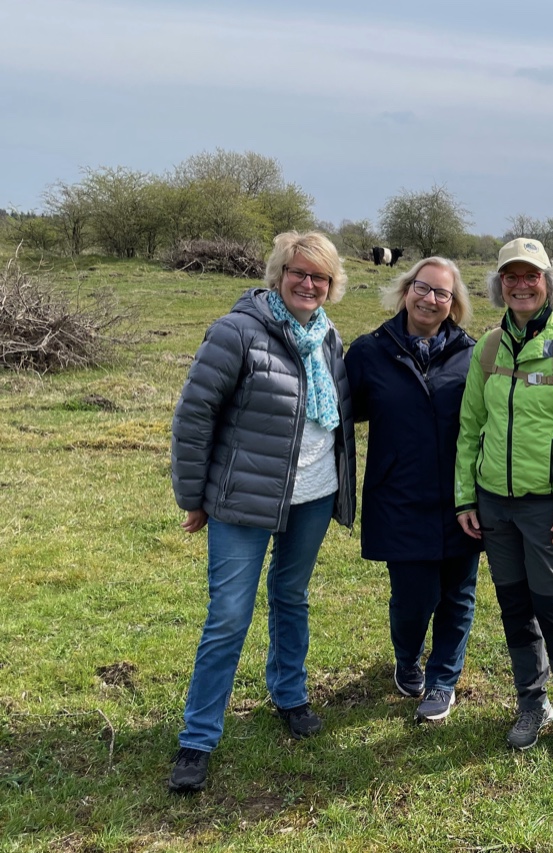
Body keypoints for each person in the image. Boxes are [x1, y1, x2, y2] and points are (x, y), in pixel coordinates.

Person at [167, 231, 356, 793]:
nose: (308, 284)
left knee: (291, 596)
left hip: (314, 495)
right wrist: (193, 497)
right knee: (228, 614)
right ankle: (198, 738)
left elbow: (337, 417)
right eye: (298, 272)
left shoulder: (329, 339)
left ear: (331, 285)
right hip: (244, 498)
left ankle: (290, 695)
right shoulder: (237, 332)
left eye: (320, 277)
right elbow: (194, 415)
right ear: (278, 274)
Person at [455, 237, 553, 761]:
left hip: (547, 509)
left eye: (531, 276)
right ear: (500, 285)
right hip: (494, 504)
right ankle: (530, 701)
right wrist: (464, 497)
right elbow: (470, 426)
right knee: (515, 607)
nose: (521, 284)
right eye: (511, 276)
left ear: (549, 283)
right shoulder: (488, 349)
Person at [345, 257, 482, 723]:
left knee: (458, 593)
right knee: (413, 596)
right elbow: (343, 414)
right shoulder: (368, 352)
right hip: (398, 496)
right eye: (423, 288)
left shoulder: (474, 354)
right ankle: (407, 657)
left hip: (461, 499)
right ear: (406, 290)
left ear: (453, 303)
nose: (430, 299)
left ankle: (443, 679)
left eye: (442, 293)